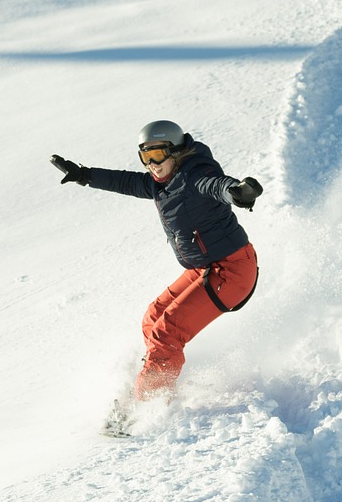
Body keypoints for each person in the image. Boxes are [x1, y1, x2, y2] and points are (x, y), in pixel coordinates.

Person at [51, 120, 263, 402]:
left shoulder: (195, 174)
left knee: (168, 331)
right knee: (154, 317)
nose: (152, 163)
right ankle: (154, 379)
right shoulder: (160, 183)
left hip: (233, 270)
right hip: (205, 268)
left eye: (157, 154)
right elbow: (124, 181)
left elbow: (215, 185)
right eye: (145, 156)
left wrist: (237, 191)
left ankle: (149, 402)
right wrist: (84, 175)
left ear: (175, 152)